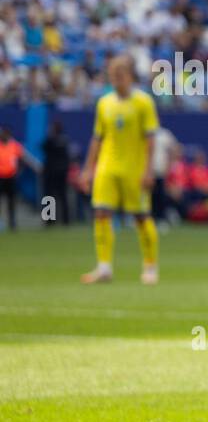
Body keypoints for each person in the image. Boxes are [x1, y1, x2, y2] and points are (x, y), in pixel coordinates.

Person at [79, 57, 161, 284]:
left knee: (141, 217)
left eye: (120, 75)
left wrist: (148, 170)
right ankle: (104, 267)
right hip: (107, 167)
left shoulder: (143, 102)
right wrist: (88, 168)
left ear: (130, 76)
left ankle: (150, 266)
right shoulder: (104, 103)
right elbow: (97, 138)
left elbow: (151, 139)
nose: (116, 80)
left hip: (134, 169)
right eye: (113, 75)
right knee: (101, 213)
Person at [0, 127, 38, 230]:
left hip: (11, 177)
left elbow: (25, 158)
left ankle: (12, 223)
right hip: (1, 177)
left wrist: (36, 167)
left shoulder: (14, 146)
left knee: (11, 201)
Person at [40, 119, 70, 226]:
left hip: (51, 173)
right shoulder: (65, 140)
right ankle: (66, 220)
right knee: (63, 196)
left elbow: (42, 146)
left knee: (49, 197)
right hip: (61, 173)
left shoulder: (50, 140)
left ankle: (49, 220)